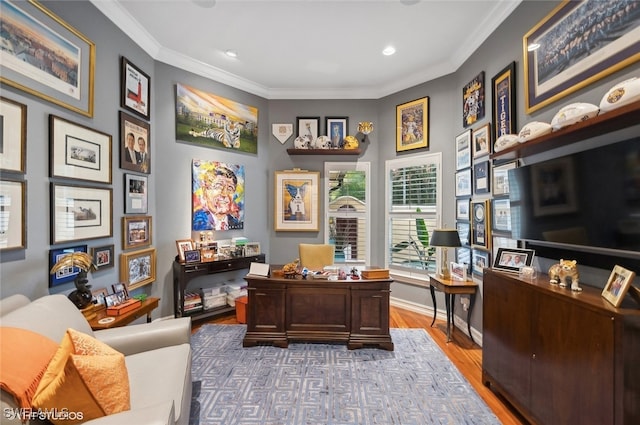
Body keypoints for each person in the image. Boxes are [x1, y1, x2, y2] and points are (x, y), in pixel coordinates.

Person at [193, 165, 242, 231]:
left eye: (230, 188)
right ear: (205, 191)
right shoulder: (197, 222)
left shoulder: (236, 223)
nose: (224, 193)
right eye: (218, 186)